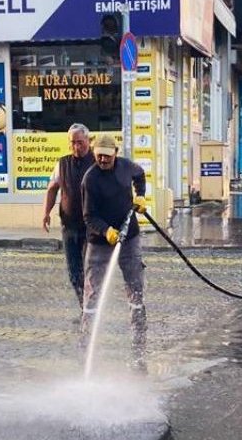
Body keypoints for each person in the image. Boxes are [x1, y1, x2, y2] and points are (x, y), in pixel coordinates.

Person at [81, 134, 149, 371]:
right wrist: (106, 231)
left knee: (135, 286)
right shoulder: (90, 179)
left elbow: (140, 175)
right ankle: (87, 339)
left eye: (107, 156)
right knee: (92, 291)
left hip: (129, 237)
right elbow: (88, 217)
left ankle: (139, 337)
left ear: (115, 153)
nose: (102, 159)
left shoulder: (126, 167)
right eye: (98, 154)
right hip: (100, 243)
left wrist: (140, 195)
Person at [42, 124, 94, 312]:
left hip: (92, 227)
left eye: (80, 142)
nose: (76, 147)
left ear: (88, 140)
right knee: (74, 270)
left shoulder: (98, 162)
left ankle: (91, 306)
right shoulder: (62, 163)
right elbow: (52, 188)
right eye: (73, 143)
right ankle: (84, 305)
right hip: (69, 225)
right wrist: (46, 213)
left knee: (90, 268)